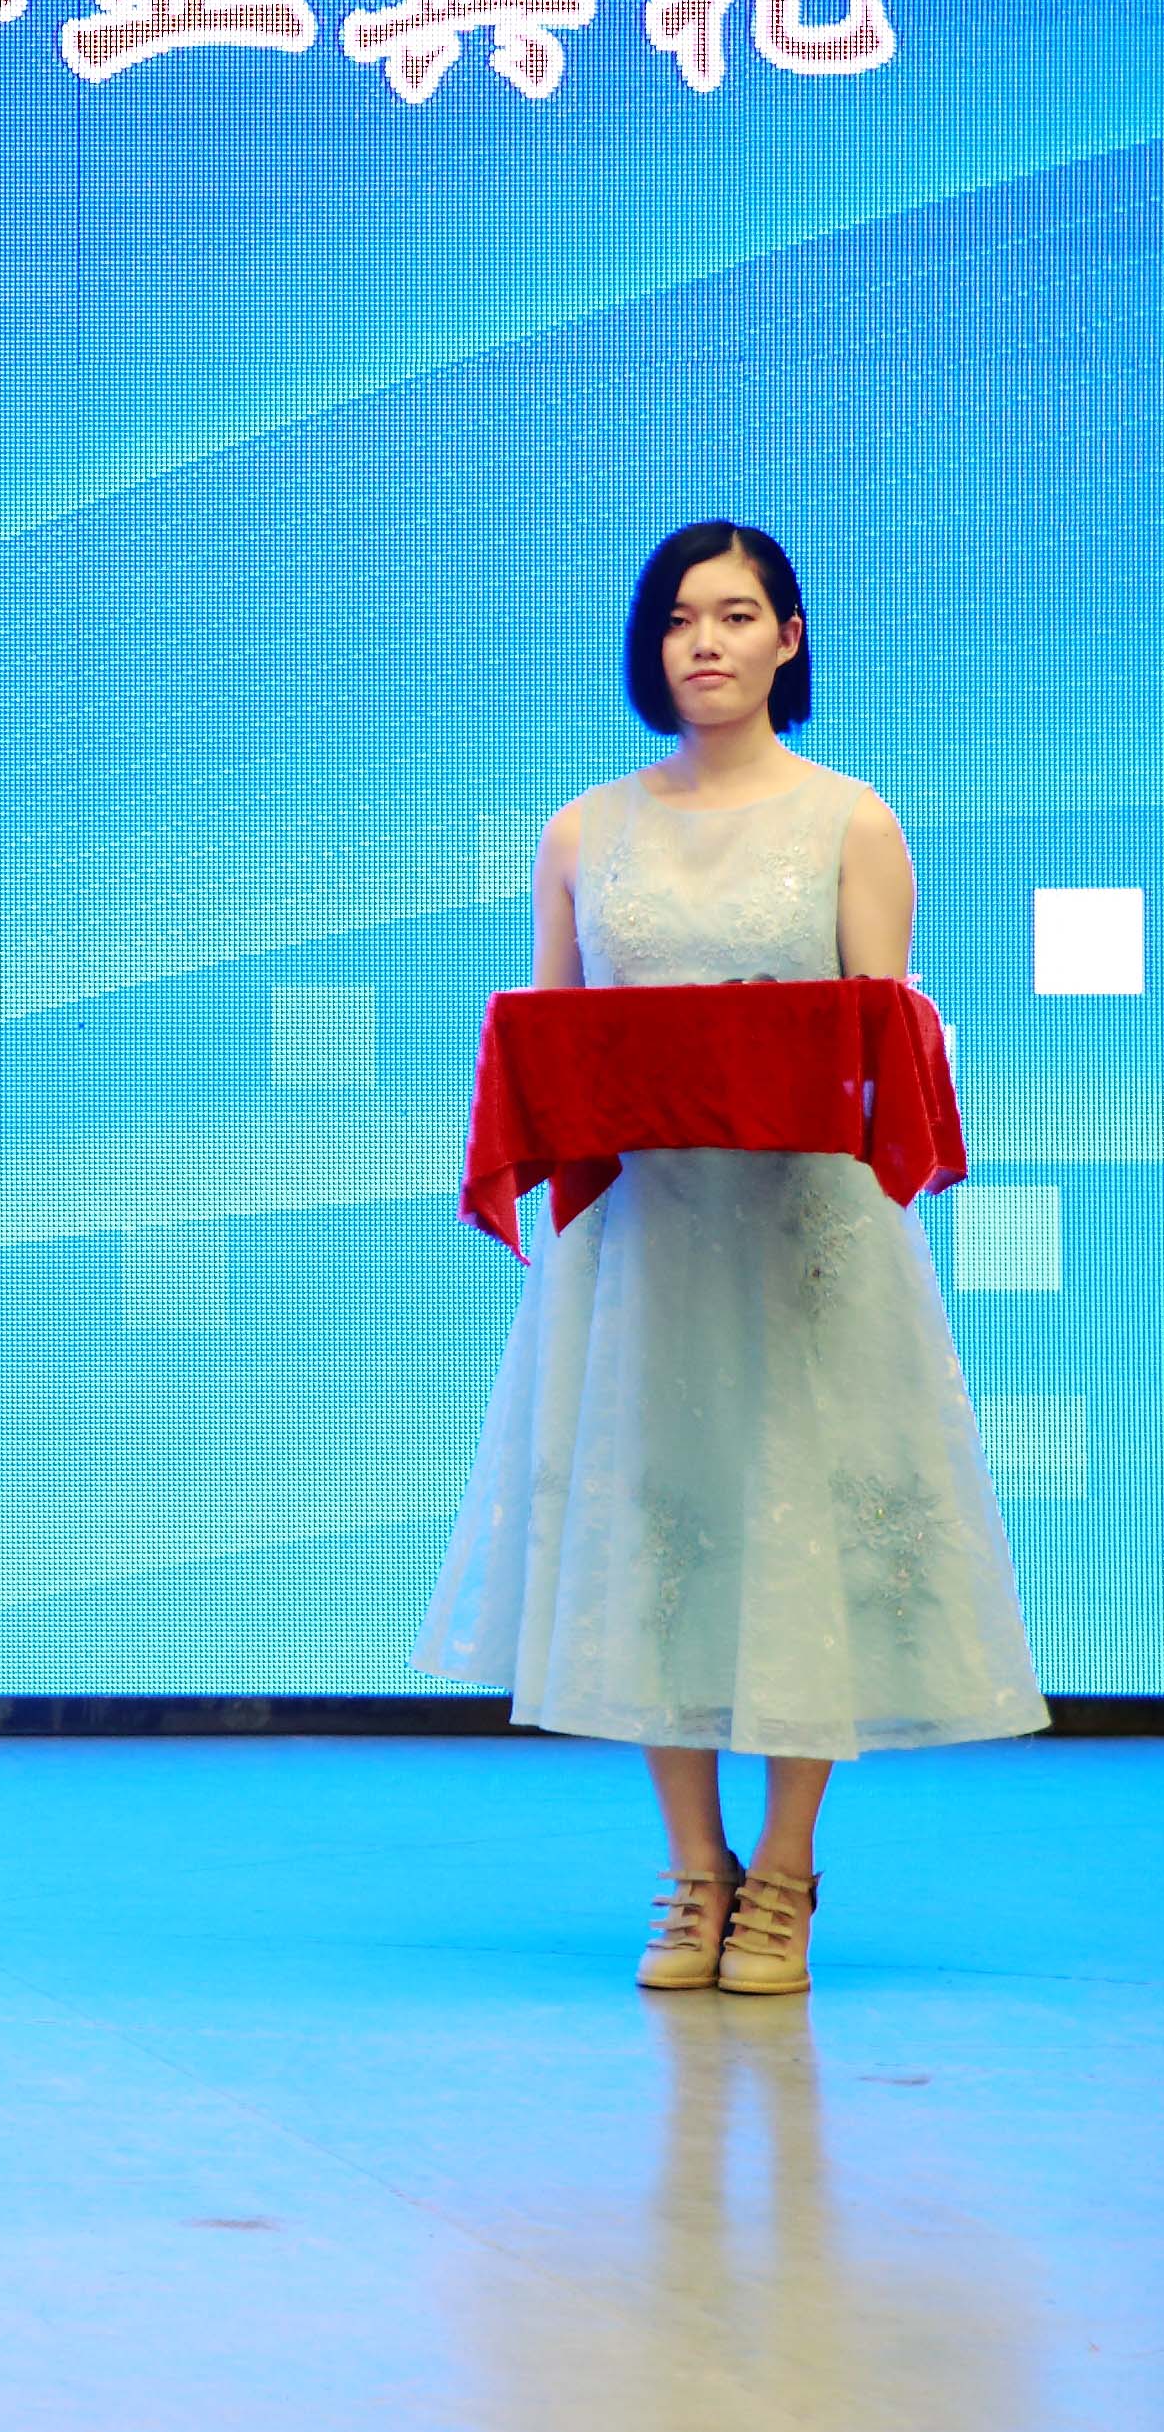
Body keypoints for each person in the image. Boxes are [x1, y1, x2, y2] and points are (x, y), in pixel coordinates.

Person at [420, 518, 1041, 1992]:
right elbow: (555, 1039)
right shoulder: (583, 830)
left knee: (801, 1530)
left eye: (738, 614)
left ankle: (788, 1872)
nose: (705, 641)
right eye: (679, 618)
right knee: (660, 1531)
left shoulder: (850, 820)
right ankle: (695, 1870)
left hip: (803, 1236)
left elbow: (888, 1040)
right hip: (644, 1239)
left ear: (789, 639)